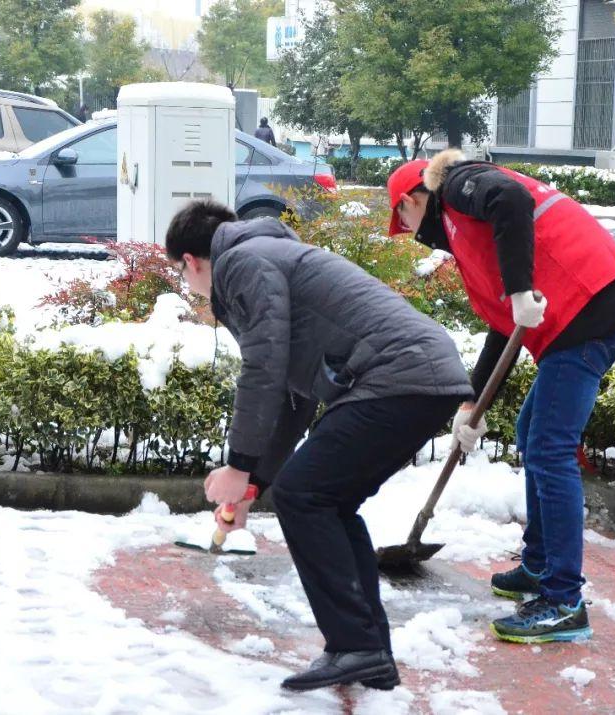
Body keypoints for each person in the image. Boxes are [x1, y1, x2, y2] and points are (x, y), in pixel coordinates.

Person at [165, 200, 473, 690]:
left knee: (305, 495)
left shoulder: (243, 263)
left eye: (184, 278)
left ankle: (357, 646)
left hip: (399, 375)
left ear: (191, 261)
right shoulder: (267, 255)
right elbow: (295, 398)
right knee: (325, 500)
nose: (193, 289)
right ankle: (367, 648)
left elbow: (262, 366)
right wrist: (254, 483)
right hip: (417, 376)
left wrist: (239, 465)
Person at [387, 150, 615, 645]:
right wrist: (471, 403)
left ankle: (563, 602)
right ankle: (539, 564)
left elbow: (510, 198)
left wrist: (522, 288)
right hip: (582, 313)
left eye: (404, 216)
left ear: (414, 197)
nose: (411, 230)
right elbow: (501, 326)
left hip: (587, 309)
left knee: (549, 446)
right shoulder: (470, 237)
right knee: (533, 432)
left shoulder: (459, 185)